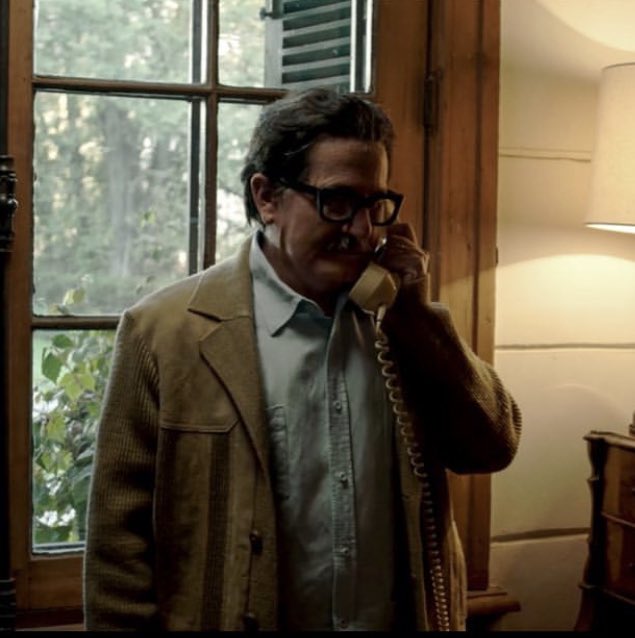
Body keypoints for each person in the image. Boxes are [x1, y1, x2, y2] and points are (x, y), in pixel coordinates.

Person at [83, 88, 522, 632]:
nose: (362, 231)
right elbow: (118, 550)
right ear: (267, 196)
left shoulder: (401, 325)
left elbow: (493, 446)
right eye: (337, 202)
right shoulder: (164, 334)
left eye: (375, 205)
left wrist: (419, 322)